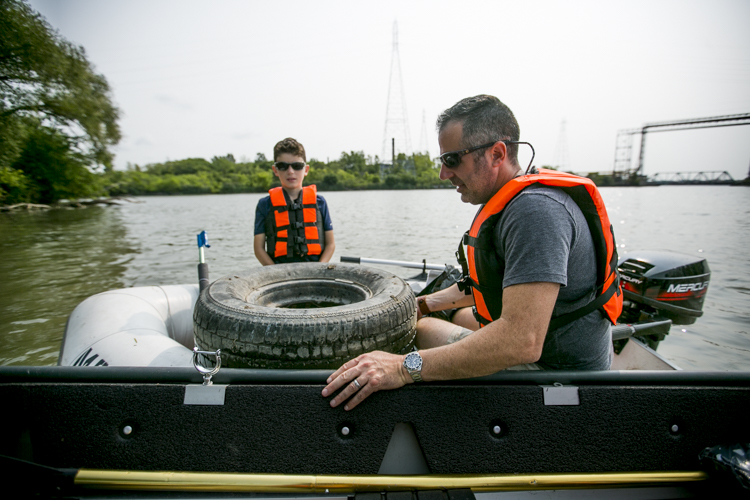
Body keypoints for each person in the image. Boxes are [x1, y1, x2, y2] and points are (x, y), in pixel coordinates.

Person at [322, 95, 622, 410]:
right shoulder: (517, 201)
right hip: (552, 348)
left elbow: (522, 341)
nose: (443, 173)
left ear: (496, 153)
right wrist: (423, 304)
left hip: (559, 376)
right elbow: (482, 286)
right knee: (454, 313)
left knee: (421, 329)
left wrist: (401, 367)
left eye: (452, 160)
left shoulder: (535, 212)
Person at [253, 138, 335, 265]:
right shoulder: (264, 205)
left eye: (297, 166)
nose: (290, 171)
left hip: (315, 269)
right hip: (279, 271)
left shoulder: (320, 202)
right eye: (283, 166)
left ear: (306, 170)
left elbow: (330, 244)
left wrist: (319, 269)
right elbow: (258, 249)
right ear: (275, 170)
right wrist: (276, 273)